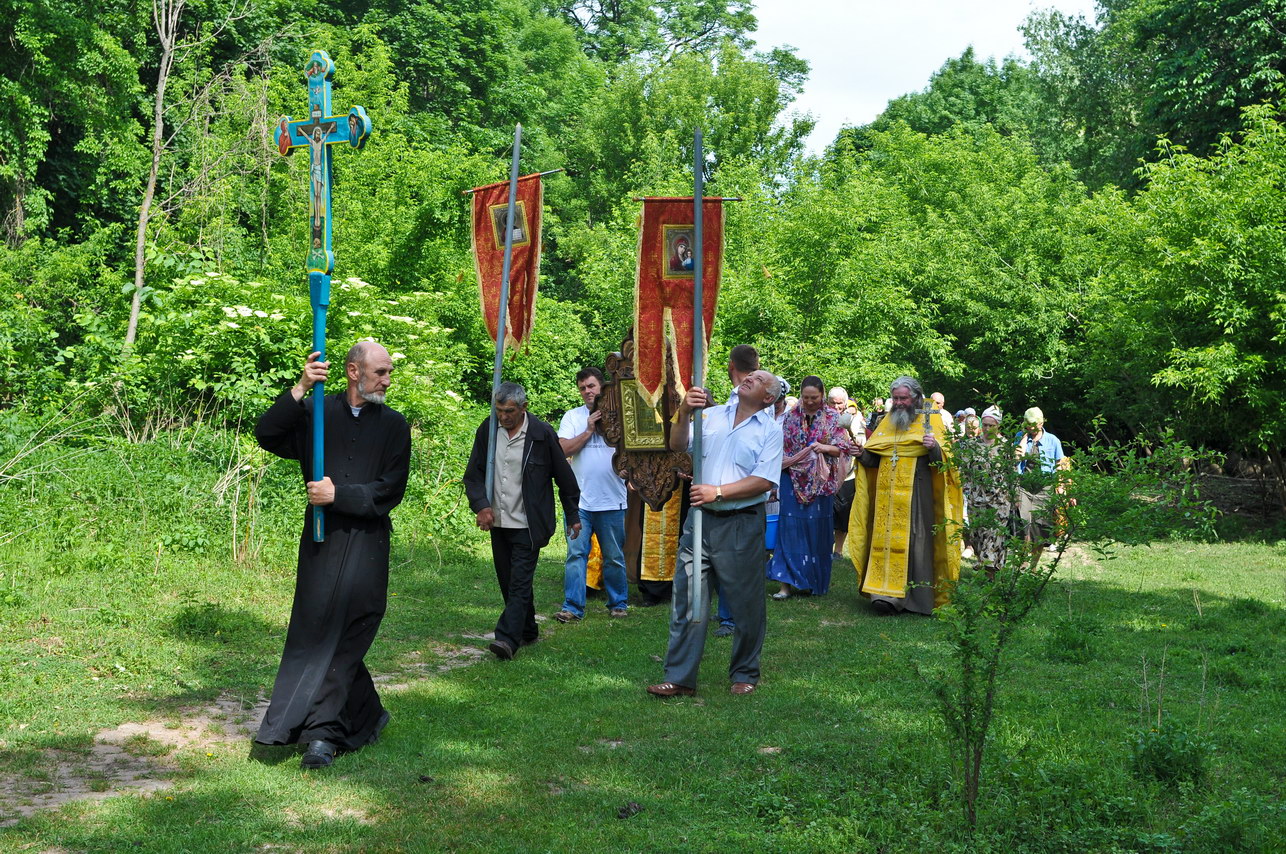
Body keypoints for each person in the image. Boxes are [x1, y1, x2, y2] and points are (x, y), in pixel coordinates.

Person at [253, 342, 411, 770]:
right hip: (322, 541)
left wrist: (337, 494)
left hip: (367, 543)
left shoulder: (394, 425)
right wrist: (302, 387)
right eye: (380, 372)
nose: (387, 380)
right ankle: (368, 713)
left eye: (389, 372)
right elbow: (267, 434)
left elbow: (391, 489)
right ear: (353, 371)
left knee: (351, 632)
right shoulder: (317, 413)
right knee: (316, 630)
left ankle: (321, 735)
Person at [647, 370, 784, 697]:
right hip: (699, 520)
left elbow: (764, 480)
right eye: (750, 375)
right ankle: (679, 677)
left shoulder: (770, 430)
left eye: (759, 379)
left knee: (745, 604)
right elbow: (678, 445)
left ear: (768, 397)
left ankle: (744, 673)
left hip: (740, 522)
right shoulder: (711, 415)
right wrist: (683, 413)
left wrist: (718, 492)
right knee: (689, 598)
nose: (750, 378)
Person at [464, 382, 581, 660]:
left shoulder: (541, 434)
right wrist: (481, 505)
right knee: (509, 582)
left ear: (523, 407)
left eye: (509, 411)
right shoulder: (488, 430)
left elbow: (564, 476)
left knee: (518, 582)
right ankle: (528, 629)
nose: (503, 416)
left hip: (529, 524)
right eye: (499, 410)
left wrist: (573, 514)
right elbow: (473, 474)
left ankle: (507, 639)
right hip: (499, 522)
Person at [847, 376, 963, 615]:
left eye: (903, 398)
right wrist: (861, 453)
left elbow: (945, 464)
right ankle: (883, 594)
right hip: (885, 498)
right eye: (895, 398)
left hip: (917, 494)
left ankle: (915, 598)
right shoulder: (887, 421)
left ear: (916, 397)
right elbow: (874, 458)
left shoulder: (931, 418)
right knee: (884, 541)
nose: (898, 403)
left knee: (916, 543)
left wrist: (934, 448)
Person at [768, 377, 858, 599]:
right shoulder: (790, 417)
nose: (809, 401)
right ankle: (785, 585)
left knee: (816, 532)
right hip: (791, 479)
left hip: (821, 482)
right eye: (806, 397)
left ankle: (812, 581)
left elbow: (842, 449)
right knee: (789, 529)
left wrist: (823, 448)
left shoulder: (833, 418)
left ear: (822, 395)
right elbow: (781, 450)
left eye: (814, 398)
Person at [555, 367, 629, 623]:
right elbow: (562, 450)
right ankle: (572, 607)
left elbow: (634, 451)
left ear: (602, 387)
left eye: (591, 386)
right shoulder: (573, 416)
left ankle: (618, 603)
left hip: (612, 500)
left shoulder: (621, 416)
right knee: (576, 555)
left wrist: (631, 473)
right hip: (579, 503)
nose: (587, 391)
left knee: (614, 556)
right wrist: (588, 431)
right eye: (582, 388)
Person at [959, 406, 1011, 575]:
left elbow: (1012, 473)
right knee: (978, 536)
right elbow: (964, 471)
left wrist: (1015, 496)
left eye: (991, 425)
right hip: (977, 499)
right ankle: (984, 565)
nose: (988, 428)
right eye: (985, 425)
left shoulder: (1005, 446)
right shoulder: (972, 445)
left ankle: (990, 570)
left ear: (998, 426)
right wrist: (963, 490)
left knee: (994, 535)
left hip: (1000, 500)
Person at [1015, 406, 1069, 552]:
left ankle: (1033, 563)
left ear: (1041, 423)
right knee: (1024, 525)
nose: (1030, 427)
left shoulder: (1053, 440)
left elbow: (1060, 464)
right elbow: (1015, 459)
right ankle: (1024, 561)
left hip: (1045, 489)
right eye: (1027, 424)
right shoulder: (1020, 437)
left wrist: (1061, 486)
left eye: (1033, 424)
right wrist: (1023, 440)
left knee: (1039, 529)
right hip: (1024, 487)